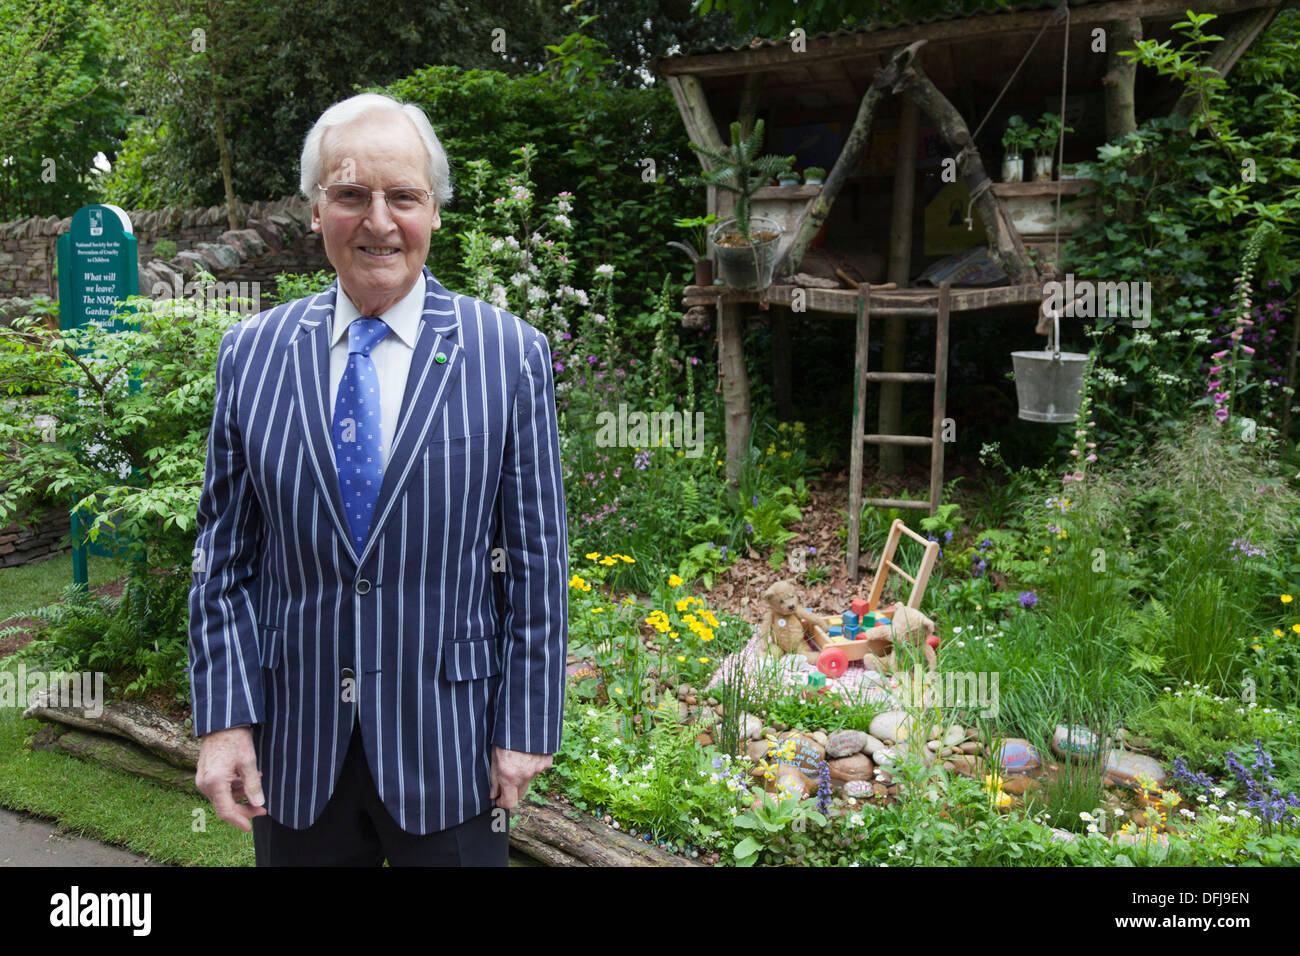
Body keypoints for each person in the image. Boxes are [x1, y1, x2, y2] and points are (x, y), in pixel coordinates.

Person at [187, 92, 568, 866]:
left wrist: (526, 725)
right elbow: (221, 560)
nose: (380, 222)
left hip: (451, 745)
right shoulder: (251, 355)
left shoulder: (509, 354)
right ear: (316, 210)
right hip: (294, 752)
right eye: (352, 195)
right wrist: (224, 721)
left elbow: (536, 558)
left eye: (404, 197)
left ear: (435, 211)